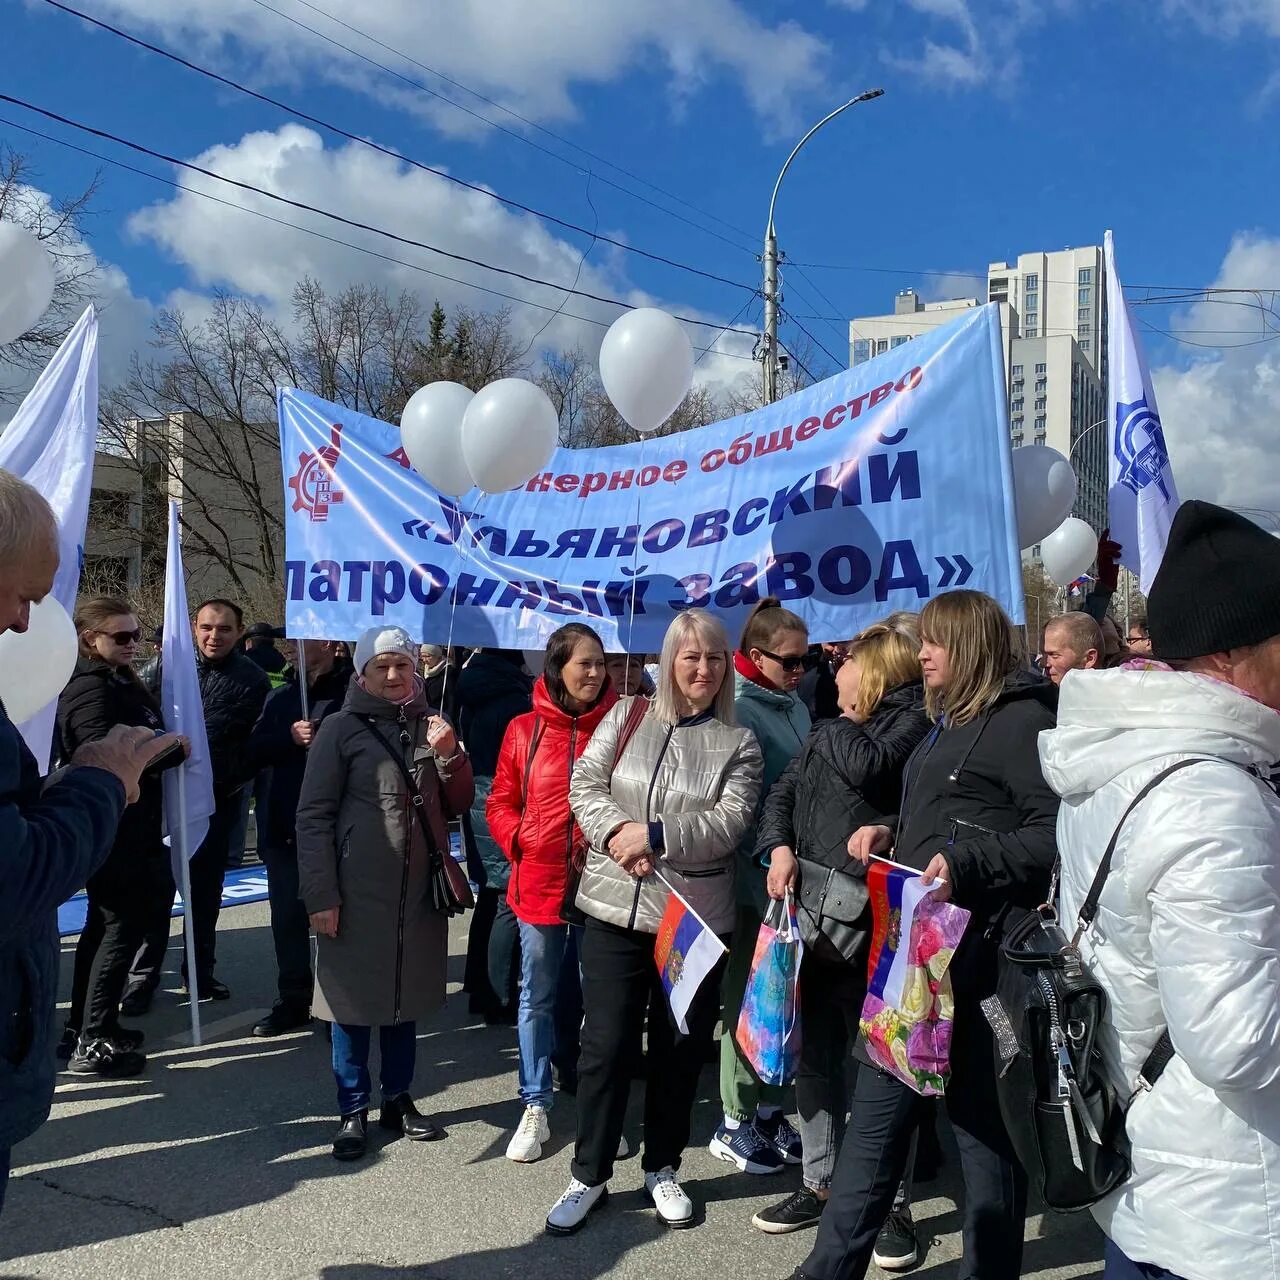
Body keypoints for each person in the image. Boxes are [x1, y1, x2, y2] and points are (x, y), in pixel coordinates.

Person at [1039, 501, 1280, 1280]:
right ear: (1236, 652)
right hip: (1232, 1209)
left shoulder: (1123, 755)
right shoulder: (1213, 797)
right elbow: (1236, 1038)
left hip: (1153, 1166)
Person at [792, 589, 1059, 1280]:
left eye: (936, 641)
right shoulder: (944, 721)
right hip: (916, 962)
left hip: (979, 967)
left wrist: (966, 859)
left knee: (985, 1143)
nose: (923, 653)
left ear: (968, 648)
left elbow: (1053, 835)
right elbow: (945, 812)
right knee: (871, 1138)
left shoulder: (1021, 721)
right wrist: (892, 833)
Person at [545, 612, 763, 1235]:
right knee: (605, 1046)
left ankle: (662, 1166)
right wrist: (617, 832)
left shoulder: (739, 741)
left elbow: (728, 823)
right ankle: (588, 1174)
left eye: (715, 658)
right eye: (691, 657)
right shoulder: (628, 713)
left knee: (678, 1048)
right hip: (613, 909)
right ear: (668, 661)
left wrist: (657, 835)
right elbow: (584, 783)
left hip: (691, 919)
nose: (704, 669)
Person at [0, 470, 176, 1213]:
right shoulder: (87, 686)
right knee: (111, 933)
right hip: (109, 836)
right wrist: (104, 778)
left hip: (124, 835)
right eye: (20, 595)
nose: (17, 622)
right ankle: (93, 1029)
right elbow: (16, 875)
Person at [752, 614, 930, 1269]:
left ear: (877, 672)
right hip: (813, 917)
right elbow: (782, 793)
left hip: (875, 925)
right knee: (818, 1058)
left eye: (850, 662)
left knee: (882, 1069)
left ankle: (892, 1204)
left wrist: (837, 721)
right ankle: (819, 1181)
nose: (836, 670)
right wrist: (775, 846)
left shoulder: (907, 723)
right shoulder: (834, 727)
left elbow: (871, 770)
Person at [296, 626, 474, 1160]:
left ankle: (397, 1098)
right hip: (355, 892)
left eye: (403, 665)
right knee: (349, 1004)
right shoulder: (339, 729)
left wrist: (451, 756)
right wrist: (320, 895)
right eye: (383, 667)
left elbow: (458, 802)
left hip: (417, 892)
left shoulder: (432, 725)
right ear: (362, 674)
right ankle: (352, 1109)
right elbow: (312, 817)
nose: (395, 676)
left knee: (406, 999)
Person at [487, 624, 618, 1163]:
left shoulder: (623, 725)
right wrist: (521, 838)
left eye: (600, 663)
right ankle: (535, 1102)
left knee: (601, 1000)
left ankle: (595, 1103)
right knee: (536, 997)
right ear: (557, 667)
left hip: (602, 884)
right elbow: (500, 801)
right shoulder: (523, 729)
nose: (594, 673)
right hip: (537, 882)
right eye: (583, 663)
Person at [55, 597, 186, 1078]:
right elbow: (99, 757)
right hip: (116, 828)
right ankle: (92, 1040)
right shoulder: (89, 688)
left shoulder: (118, 681)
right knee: (116, 929)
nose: (134, 645)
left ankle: (89, 1023)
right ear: (91, 640)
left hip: (134, 824)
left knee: (109, 927)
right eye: (121, 637)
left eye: (137, 635)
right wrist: (170, 749)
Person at [123, 599, 270, 1010]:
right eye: (206, 627)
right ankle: (141, 979)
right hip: (159, 799)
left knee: (204, 895)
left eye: (223, 629)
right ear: (193, 627)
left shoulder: (253, 680)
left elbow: (249, 742)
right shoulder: (165, 669)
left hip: (214, 801)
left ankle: (200, 974)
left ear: (239, 632)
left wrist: (222, 774)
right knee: (155, 893)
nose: (213, 636)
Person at [710, 598, 810, 1177]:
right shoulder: (741, 711)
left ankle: (770, 1112)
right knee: (747, 998)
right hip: (753, 880)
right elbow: (741, 805)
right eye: (789, 662)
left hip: (789, 880)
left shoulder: (791, 702)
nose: (800, 671)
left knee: (782, 996)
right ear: (755, 657)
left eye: (806, 661)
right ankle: (735, 1119)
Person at [243, 638, 349, 1036]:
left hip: (337, 827)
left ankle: (334, 1001)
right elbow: (252, 752)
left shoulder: (351, 695)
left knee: (335, 917)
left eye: (296, 640)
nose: (287, 648)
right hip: (284, 826)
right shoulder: (282, 697)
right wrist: (287, 738)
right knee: (287, 917)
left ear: (326, 642)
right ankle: (293, 998)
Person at [457, 648, 535, 1016]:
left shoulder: (474, 687)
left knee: (491, 895)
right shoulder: (514, 699)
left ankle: (479, 984)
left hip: (480, 792)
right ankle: (497, 996)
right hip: (504, 795)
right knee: (506, 898)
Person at [1041, 612, 1104, 686]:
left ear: (1089, 658)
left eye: (1054, 655)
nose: (1043, 663)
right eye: (1043, 655)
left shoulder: (1112, 695)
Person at [798, 642, 845, 723]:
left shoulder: (866, 672)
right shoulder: (810, 680)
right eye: (831, 643)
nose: (837, 649)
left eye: (844, 642)